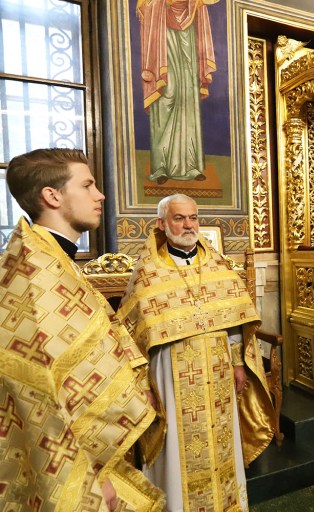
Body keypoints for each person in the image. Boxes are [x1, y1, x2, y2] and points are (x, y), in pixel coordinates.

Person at [0, 148, 164, 510]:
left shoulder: (48, 258)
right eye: (88, 185)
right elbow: (39, 391)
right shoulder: (35, 273)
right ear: (52, 196)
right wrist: (89, 475)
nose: (100, 195)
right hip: (75, 463)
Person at [117, 194, 275, 511]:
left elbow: (235, 324)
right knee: (176, 449)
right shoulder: (148, 273)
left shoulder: (217, 265)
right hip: (170, 380)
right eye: (179, 218)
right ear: (162, 224)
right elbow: (131, 337)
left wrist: (237, 364)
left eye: (193, 218)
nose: (188, 225)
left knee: (221, 445)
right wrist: (144, 387)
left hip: (218, 377)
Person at [137, 0, 220, 184]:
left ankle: (190, 165)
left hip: (188, 39)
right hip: (163, 38)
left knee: (187, 99)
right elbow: (145, 6)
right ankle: (161, 166)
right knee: (168, 95)